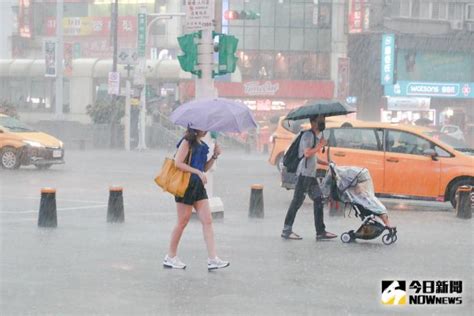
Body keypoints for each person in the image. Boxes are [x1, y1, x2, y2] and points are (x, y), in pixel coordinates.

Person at [163, 128, 230, 271]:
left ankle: (212, 259)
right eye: (203, 127)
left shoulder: (203, 145)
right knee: (182, 222)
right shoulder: (187, 142)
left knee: (207, 220)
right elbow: (178, 163)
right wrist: (197, 172)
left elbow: (204, 168)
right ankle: (170, 256)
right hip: (186, 185)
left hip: (198, 186)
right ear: (195, 127)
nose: (205, 130)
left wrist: (214, 156)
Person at [281, 115, 337, 241]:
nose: (322, 123)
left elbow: (313, 157)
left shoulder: (315, 136)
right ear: (313, 122)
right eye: (320, 121)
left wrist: (327, 163)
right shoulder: (308, 136)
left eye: (323, 120)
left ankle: (320, 231)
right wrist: (320, 145)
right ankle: (286, 230)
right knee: (297, 202)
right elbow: (306, 153)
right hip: (303, 175)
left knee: (318, 199)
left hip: (310, 175)